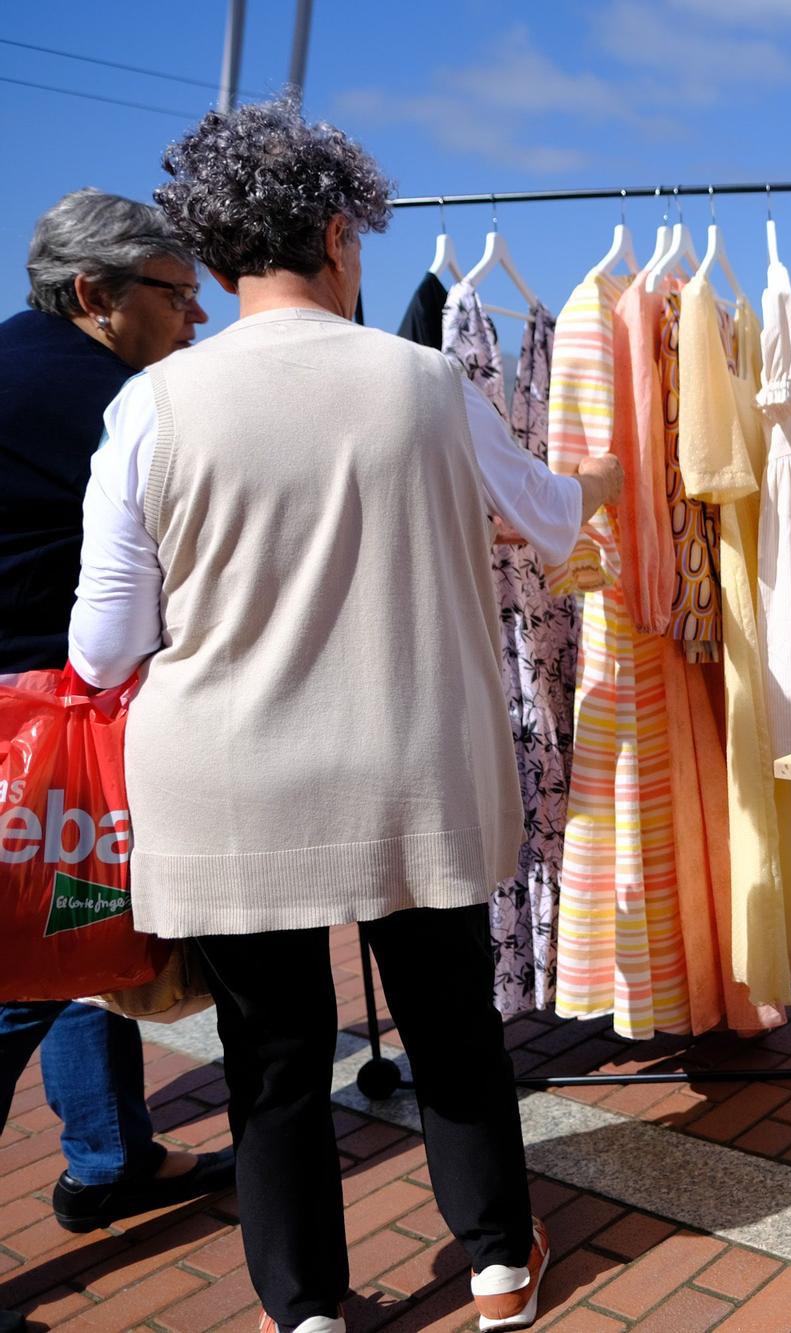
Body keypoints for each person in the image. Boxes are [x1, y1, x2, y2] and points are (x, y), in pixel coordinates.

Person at [69, 101, 624, 1333]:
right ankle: (494, 1263)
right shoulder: (426, 380)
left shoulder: (151, 406)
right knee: (449, 1022)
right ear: (335, 232)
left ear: (213, 260)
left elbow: (102, 646)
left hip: (225, 773)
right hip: (409, 758)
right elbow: (546, 519)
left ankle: (307, 1308)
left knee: (272, 1060)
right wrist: (603, 482)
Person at [0, 190, 235, 1331]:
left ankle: (110, 1155)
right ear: (96, 294)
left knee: (78, 942)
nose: (195, 317)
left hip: (40, 720)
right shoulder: (106, 398)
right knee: (15, 980)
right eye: (174, 292)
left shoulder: (14, 361)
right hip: (46, 728)